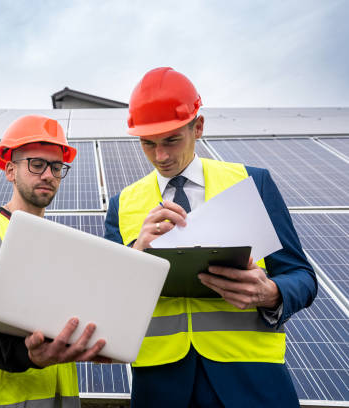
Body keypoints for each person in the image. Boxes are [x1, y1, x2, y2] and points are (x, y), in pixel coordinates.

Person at [104, 67, 317, 407]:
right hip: (160, 388)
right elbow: (109, 302)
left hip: (253, 381)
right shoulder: (122, 205)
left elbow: (301, 276)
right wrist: (136, 252)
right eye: (148, 144)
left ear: (198, 127)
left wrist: (271, 293)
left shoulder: (252, 183)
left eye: (172, 140)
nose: (161, 156)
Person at [0, 115, 108, 408]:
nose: (48, 174)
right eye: (37, 164)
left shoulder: (67, 245)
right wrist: (28, 355)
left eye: (57, 167)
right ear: (10, 170)